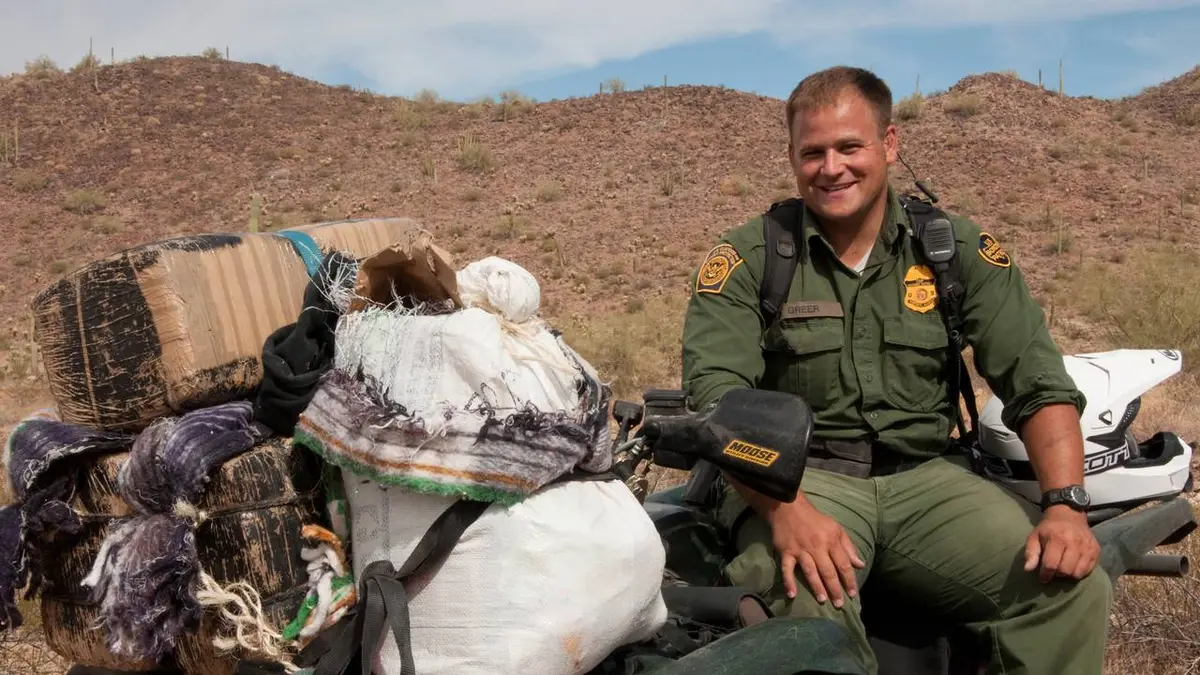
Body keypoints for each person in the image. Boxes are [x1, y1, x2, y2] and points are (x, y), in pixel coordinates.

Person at [679, 66, 1111, 674]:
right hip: (800, 481)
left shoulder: (953, 251)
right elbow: (719, 399)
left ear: (888, 143)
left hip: (927, 481)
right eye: (813, 153)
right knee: (805, 599)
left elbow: (1037, 382)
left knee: (1068, 588)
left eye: (849, 147)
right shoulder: (751, 259)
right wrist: (787, 513)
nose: (832, 168)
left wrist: (1065, 506)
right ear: (793, 156)